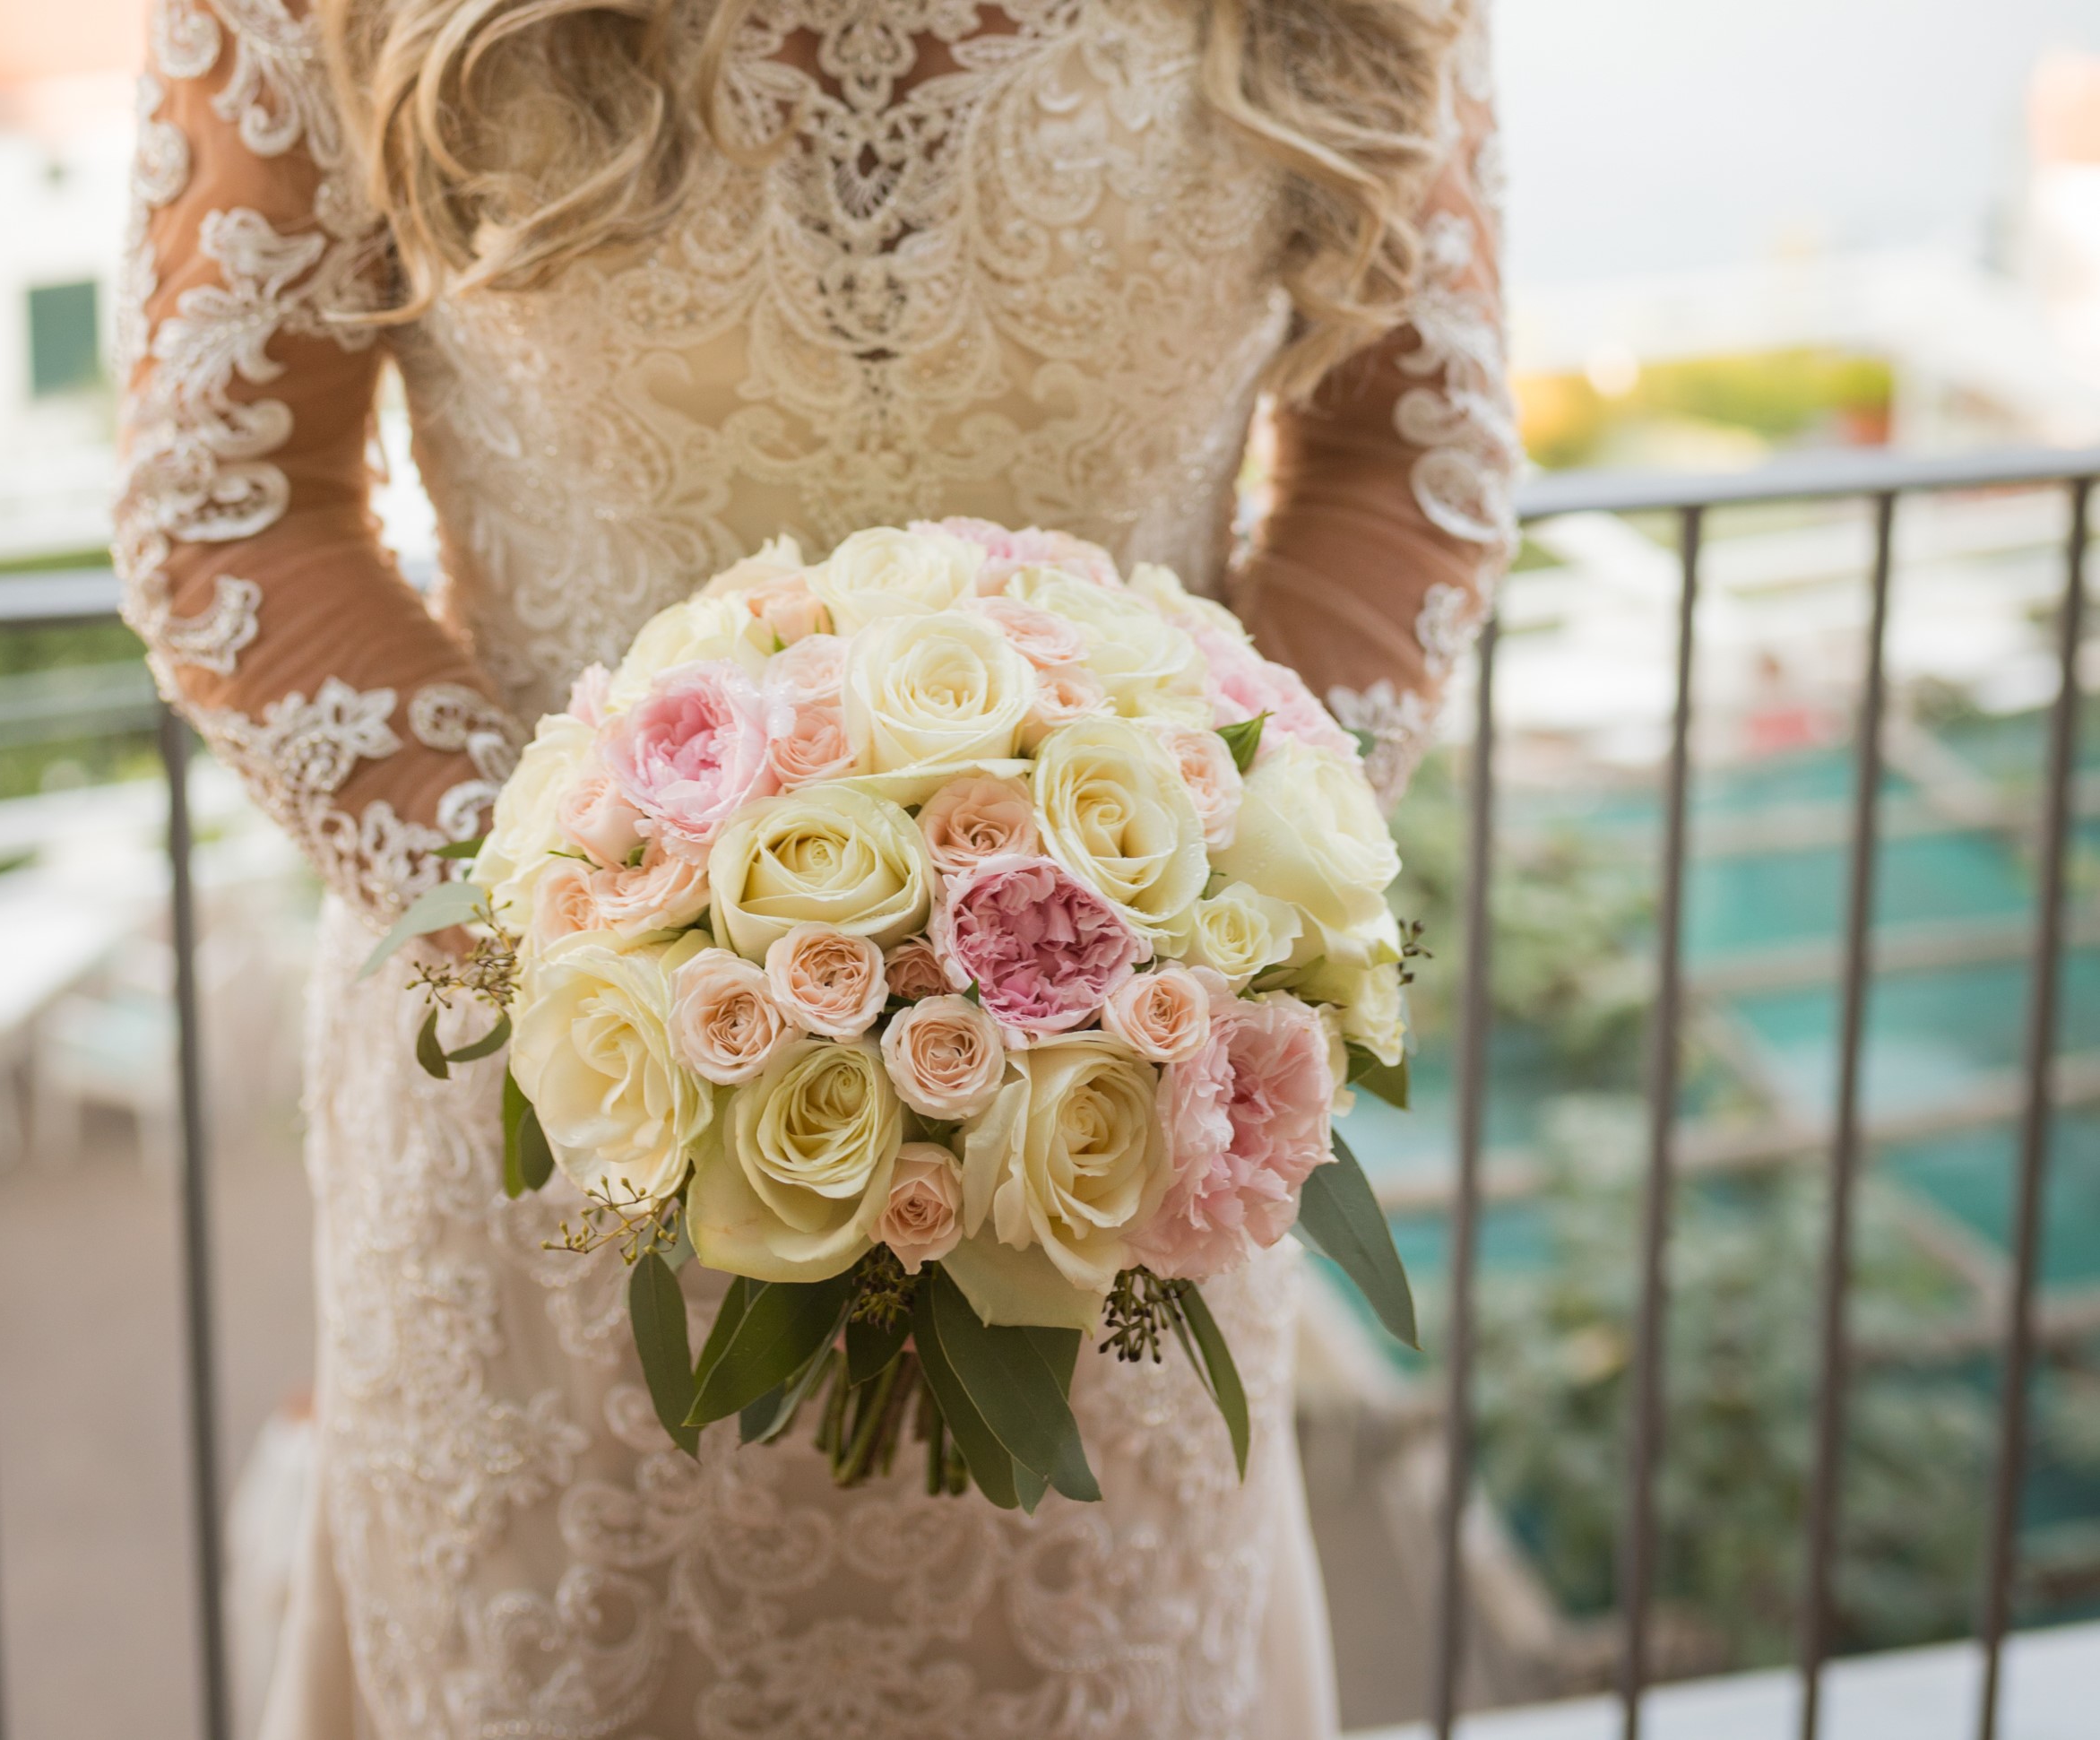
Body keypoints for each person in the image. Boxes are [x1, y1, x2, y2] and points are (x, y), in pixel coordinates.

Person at [114, 0, 1515, 1731]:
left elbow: (1408, 463)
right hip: (556, 1138)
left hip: (1119, 1135)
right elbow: (232, 500)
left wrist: (1201, 929)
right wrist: (596, 942)